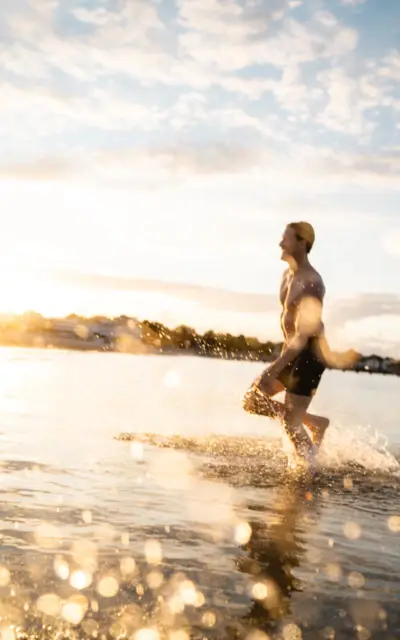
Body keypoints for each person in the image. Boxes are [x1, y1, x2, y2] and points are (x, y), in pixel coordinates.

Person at [243, 221, 330, 467]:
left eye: (286, 238)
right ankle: (314, 422)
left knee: (291, 424)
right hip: (292, 352)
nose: (280, 243)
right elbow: (289, 330)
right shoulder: (287, 276)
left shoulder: (312, 282)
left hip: (311, 353)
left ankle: (309, 471)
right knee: (252, 400)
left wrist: (274, 366)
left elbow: (303, 334)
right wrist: (280, 361)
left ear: (302, 243)